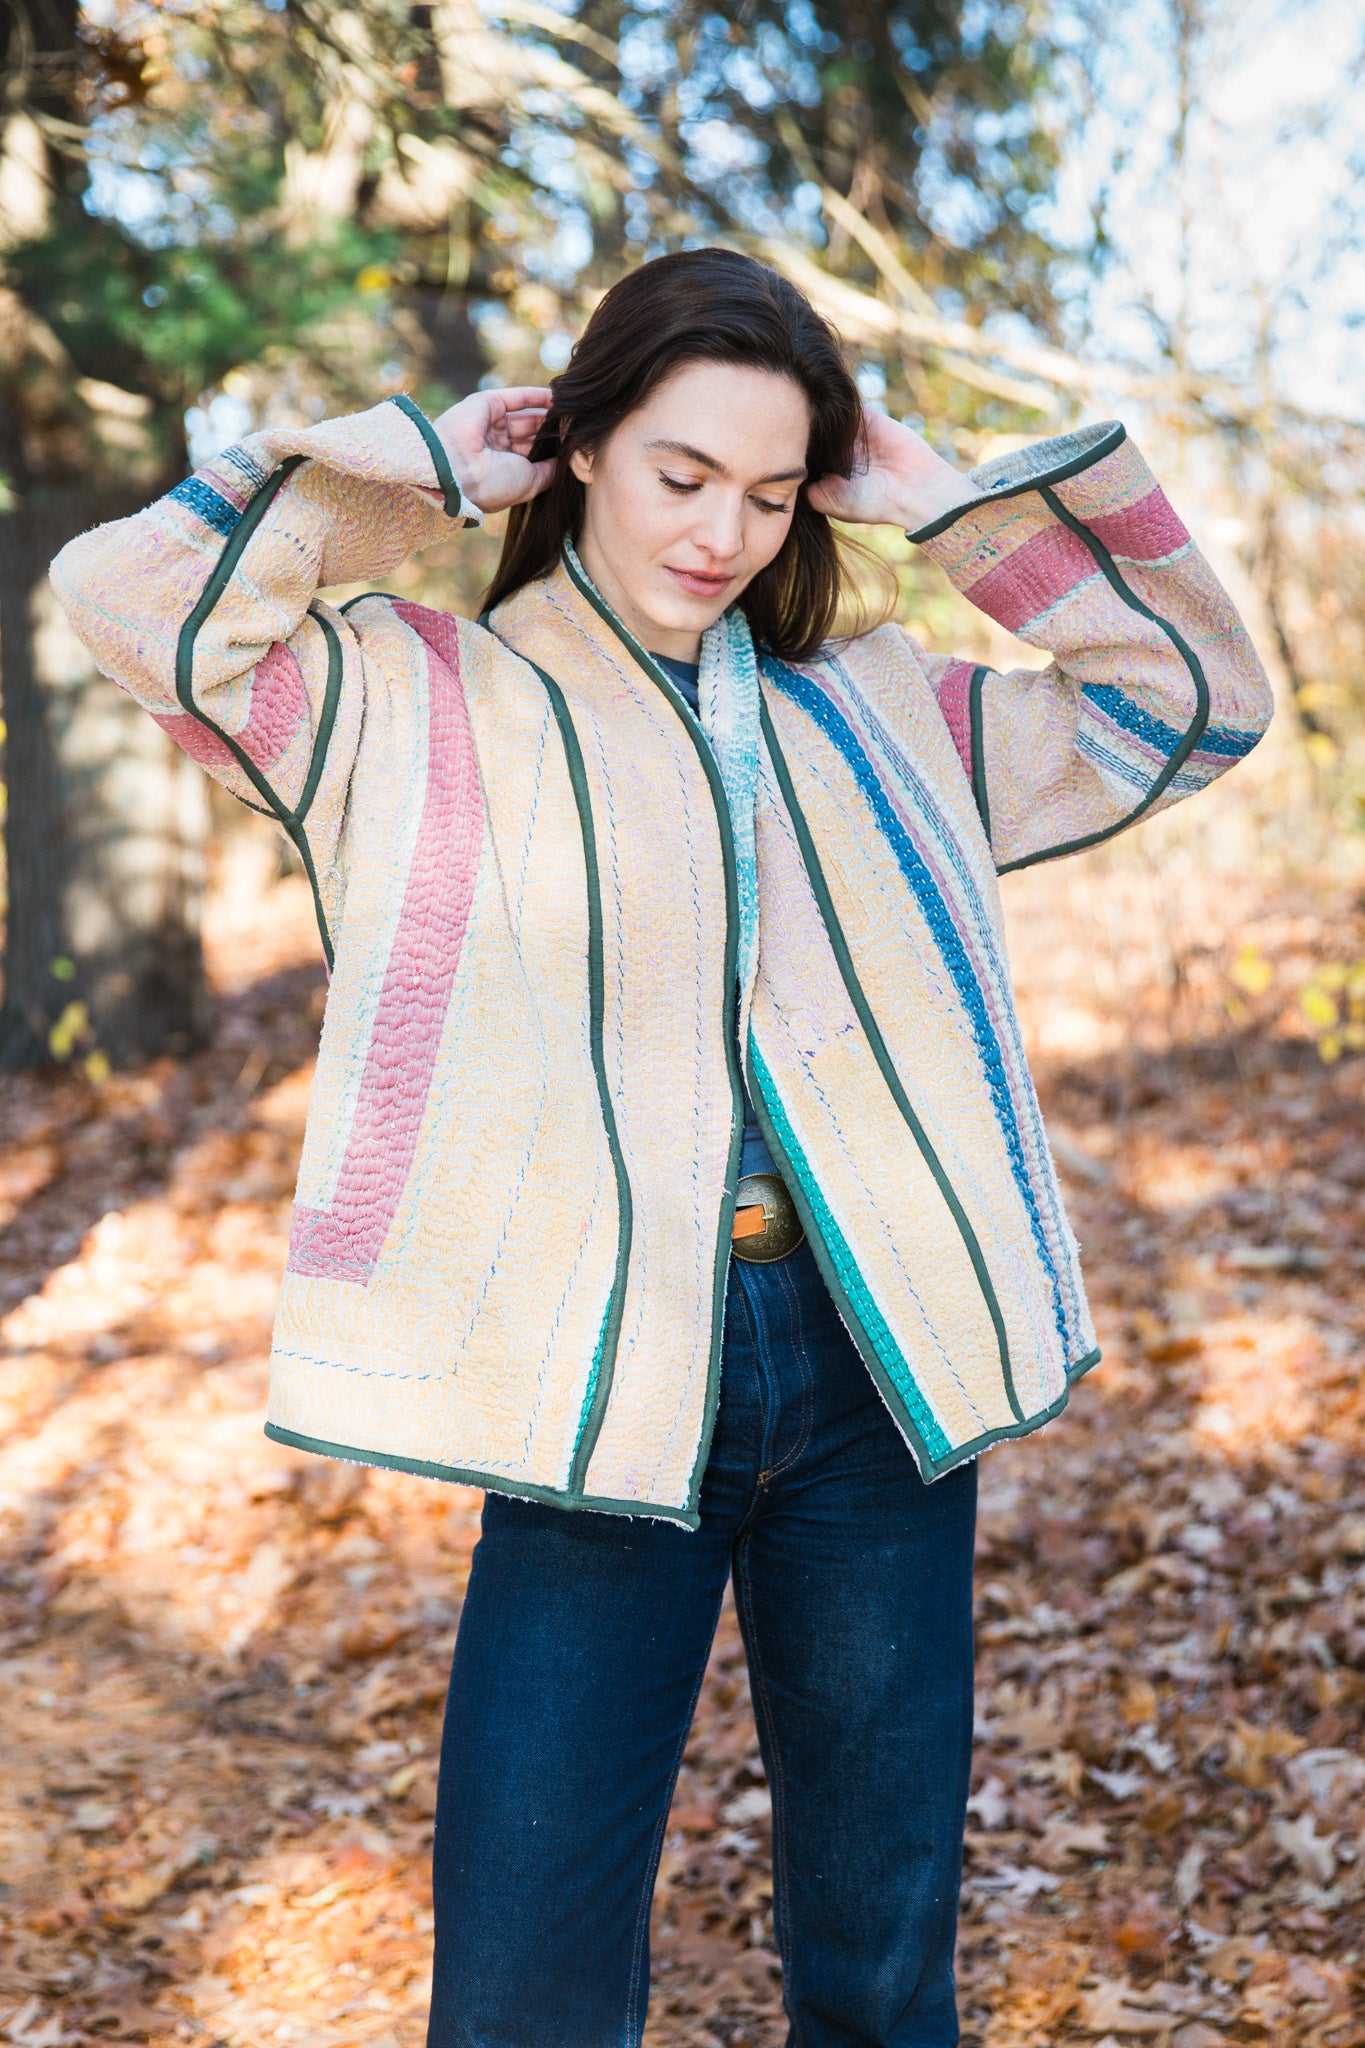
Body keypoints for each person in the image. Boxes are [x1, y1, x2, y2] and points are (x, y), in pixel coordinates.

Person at [51, 247, 1271, 2047]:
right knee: (524, 1991)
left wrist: (944, 506)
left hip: (874, 1386)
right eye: (679, 474)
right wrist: (415, 469)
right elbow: (127, 595)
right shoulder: (411, 705)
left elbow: (1190, 702)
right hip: (597, 1389)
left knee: (876, 1973)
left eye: (772, 493)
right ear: (584, 449)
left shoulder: (883, 711)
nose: (721, 535)